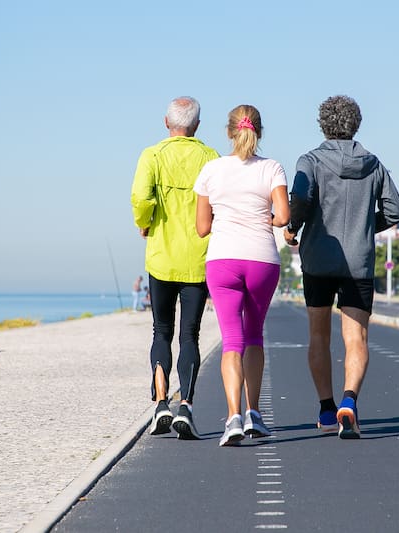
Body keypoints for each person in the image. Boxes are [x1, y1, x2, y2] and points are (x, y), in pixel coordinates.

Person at [284, 95, 399, 439]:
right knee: (357, 338)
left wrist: (293, 228)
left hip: (318, 260)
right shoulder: (374, 164)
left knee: (319, 335)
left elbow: (301, 198)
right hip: (359, 262)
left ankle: (325, 409)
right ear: (356, 124)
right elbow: (395, 210)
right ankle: (349, 402)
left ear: (323, 123)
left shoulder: (310, 161)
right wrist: (367, 227)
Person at [194, 104, 290, 446]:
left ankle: (232, 417)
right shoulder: (272, 168)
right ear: (258, 132)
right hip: (262, 261)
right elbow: (283, 215)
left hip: (223, 261)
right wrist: (269, 220)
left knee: (231, 340)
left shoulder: (211, 170)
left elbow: (202, 228)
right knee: (254, 336)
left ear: (228, 132)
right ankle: (254, 414)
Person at [130, 96, 220, 439]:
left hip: (161, 258)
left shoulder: (151, 155)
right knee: (190, 335)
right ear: (197, 125)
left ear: (166, 122)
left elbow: (140, 198)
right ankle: (187, 407)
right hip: (198, 260)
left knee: (161, 332)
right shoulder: (210, 157)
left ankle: (160, 404)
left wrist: (146, 221)